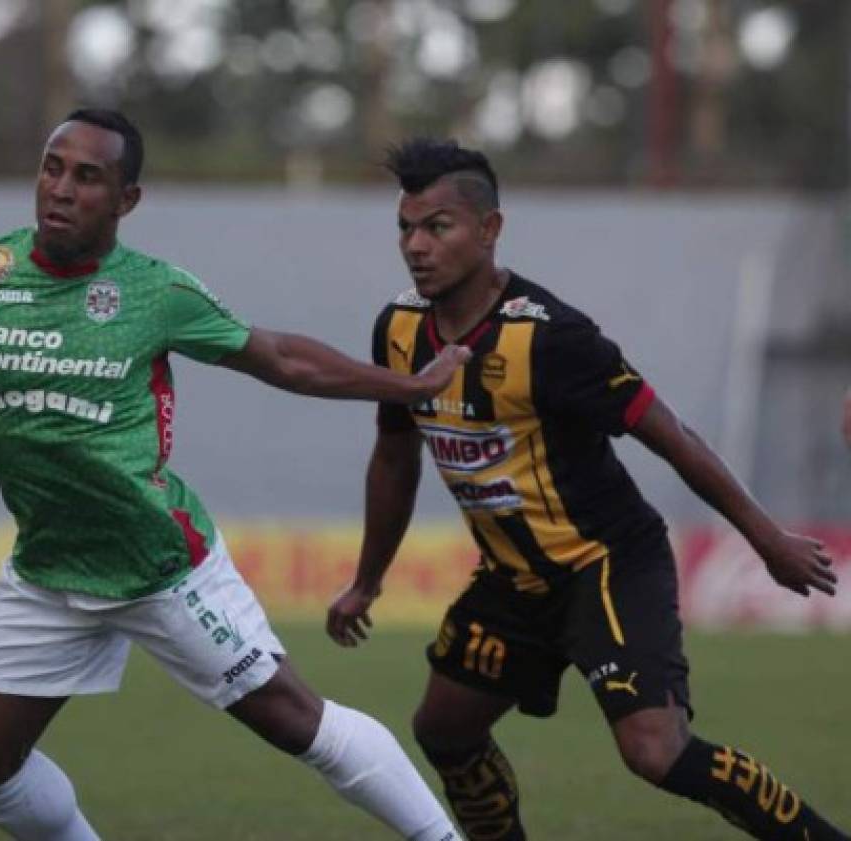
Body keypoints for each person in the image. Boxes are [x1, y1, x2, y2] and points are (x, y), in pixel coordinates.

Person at [0, 108, 467, 841]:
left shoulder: (155, 292)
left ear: (126, 200)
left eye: (88, 176)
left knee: (298, 721)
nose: (62, 189)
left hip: (161, 564)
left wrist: (411, 387)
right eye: (52, 167)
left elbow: (281, 358)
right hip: (48, 568)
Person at [326, 138, 848, 841]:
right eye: (405, 228)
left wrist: (767, 540)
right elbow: (395, 455)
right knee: (443, 728)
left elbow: (673, 435)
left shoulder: (552, 337)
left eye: (437, 226)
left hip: (606, 565)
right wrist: (368, 579)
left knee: (655, 751)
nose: (416, 245)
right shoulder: (397, 329)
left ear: (489, 230)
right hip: (513, 582)